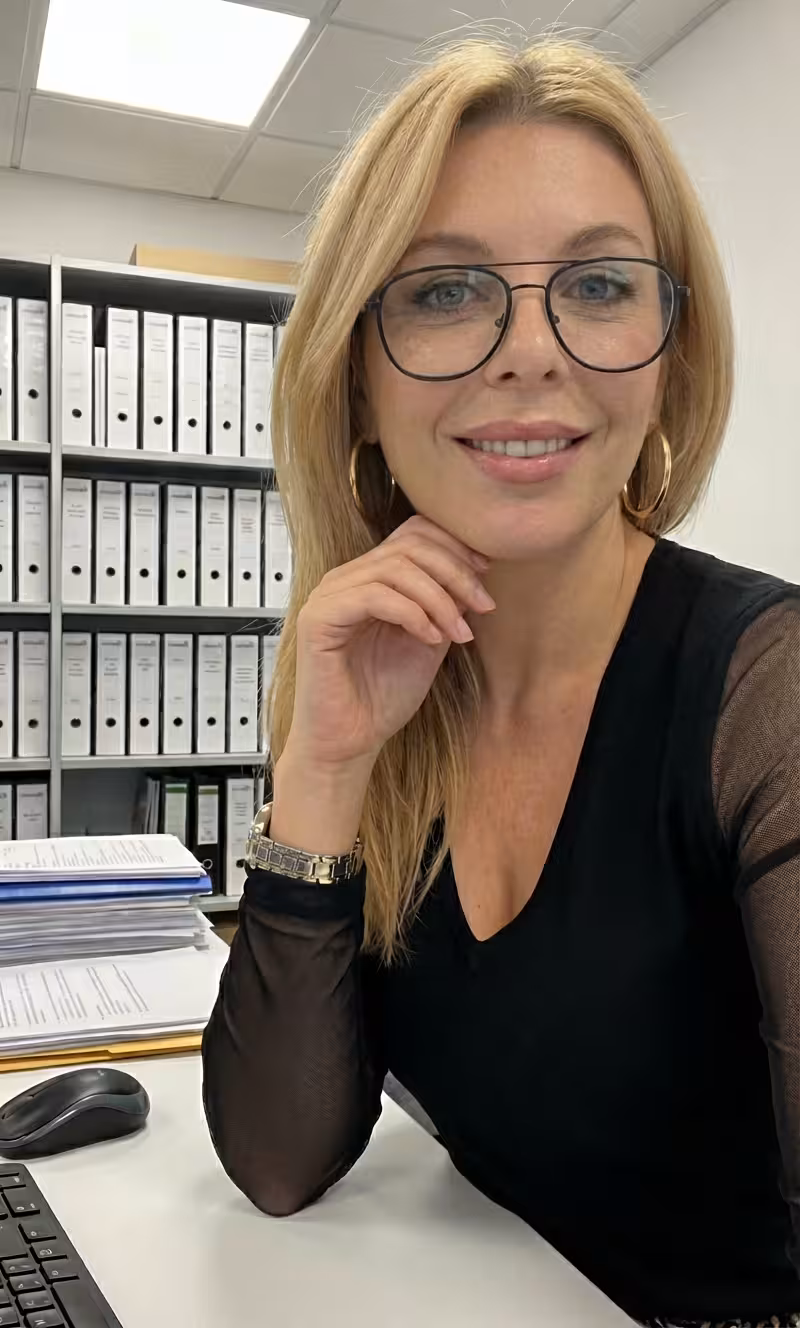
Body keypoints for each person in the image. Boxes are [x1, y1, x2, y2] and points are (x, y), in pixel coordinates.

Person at [202, 35, 800, 1328]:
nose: (529, 352)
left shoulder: (774, 699)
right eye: (444, 291)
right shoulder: (394, 679)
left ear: (671, 358)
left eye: (599, 283)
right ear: (355, 380)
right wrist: (324, 765)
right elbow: (279, 1160)